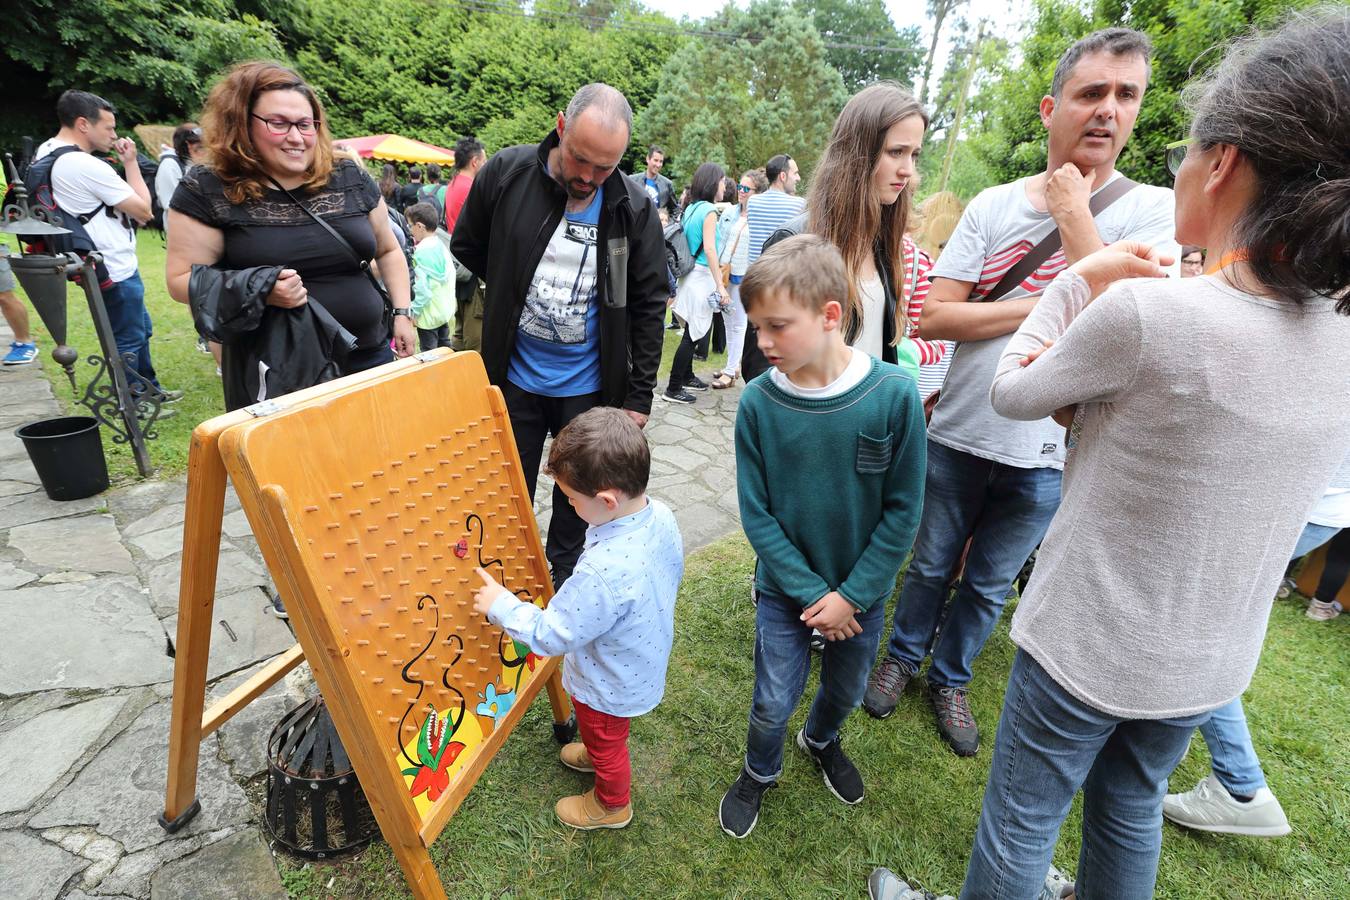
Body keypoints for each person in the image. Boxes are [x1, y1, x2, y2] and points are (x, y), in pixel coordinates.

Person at [878, 10, 1350, 898]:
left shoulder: (1156, 311)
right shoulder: (1340, 331)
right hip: (1207, 657)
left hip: (1092, 641)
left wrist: (1077, 276)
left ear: (1225, 164)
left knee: (1022, 822)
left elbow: (1023, 390)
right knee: (1129, 811)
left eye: (1178, 140)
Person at [862, 28, 1178, 758]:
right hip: (962, 429)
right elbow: (936, 314)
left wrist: (1073, 216)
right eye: (1090, 92)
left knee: (990, 583)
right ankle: (902, 657)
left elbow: (1123, 329)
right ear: (1051, 106)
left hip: (1052, 449)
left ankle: (951, 676)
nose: (1107, 110)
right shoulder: (996, 205)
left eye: (1125, 95)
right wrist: (1052, 310)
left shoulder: (1151, 213)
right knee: (933, 562)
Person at [717, 234, 925, 839]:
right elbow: (757, 515)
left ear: (830, 315)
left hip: (861, 596)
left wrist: (851, 596)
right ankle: (759, 770)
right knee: (771, 699)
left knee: (849, 687)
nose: (761, 343)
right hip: (787, 590)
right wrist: (815, 596)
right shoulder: (757, 403)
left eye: (777, 326)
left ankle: (822, 739)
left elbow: (903, 511)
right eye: (756, 327)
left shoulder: (892, 395)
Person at [450, 83, 669, 587]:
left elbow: (648, 303)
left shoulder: (631, 208)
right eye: (580, 160)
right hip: (516, 381)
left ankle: (564, 587)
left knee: (579, 501)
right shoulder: (508, 174)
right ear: (560, 127)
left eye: (605, 167)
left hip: (590, 390)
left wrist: (638, 396)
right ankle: (503, 588)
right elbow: (467, 242)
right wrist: (509, 281)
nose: (589, 177)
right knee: (506, 496)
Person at [472, 407, 682, 830]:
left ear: (606, 500)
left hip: (608, 681)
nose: (568, 504)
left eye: (571, 498)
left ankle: (611, 804)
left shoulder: (602, 573)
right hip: (639, 658)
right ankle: (595, 752)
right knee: (603, 734)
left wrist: (500, 604)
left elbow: (552, 634)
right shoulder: (658, 514)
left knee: (607, 739)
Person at [165, 60, 415, 410]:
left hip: (367, 355)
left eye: (305, 124)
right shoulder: (207, 189)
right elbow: (180, 281)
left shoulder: (348, 176)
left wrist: (402, 312)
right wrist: (262, 288)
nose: (296, 137)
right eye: (278, 124)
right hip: (278, 369)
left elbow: (388, 251)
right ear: (242, 123)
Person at [760, 83, 932, 383]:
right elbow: (761, 365)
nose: (908, 169)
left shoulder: (883, 242)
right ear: (857, 153)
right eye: (896, 152)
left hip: (872, 426)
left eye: (914, 155)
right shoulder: (796, 242)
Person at [35, 90, 179, 403]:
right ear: (83, 124)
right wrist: (131, 163)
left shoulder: (46, 151)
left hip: (91, 260)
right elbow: (143, 211)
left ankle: (148, 388)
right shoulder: (84, 164)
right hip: (113, 264)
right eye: (109, 128)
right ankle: (133, 399)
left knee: (140, 328)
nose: (114, 135)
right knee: (128, 336)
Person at [663, 163, 728, 404]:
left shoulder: (691, 208)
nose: (724, 185)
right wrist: (720, 285)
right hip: (700, 276)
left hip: (688, 275)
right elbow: (710, 249)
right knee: (692, 334)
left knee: (692, 328)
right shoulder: (709, 210)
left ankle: (688, 376)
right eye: (722, 181)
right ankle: (673, 387)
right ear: (713, 183)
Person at [709, 168, 767, 389]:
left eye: (746, 188)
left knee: (739, 324)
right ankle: (731, 365)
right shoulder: (731, 213)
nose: (741, 192)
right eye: (740, 187)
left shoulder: (758, 216)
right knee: (727, 321)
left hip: (746, 276)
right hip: (727, 273)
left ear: (757, 192)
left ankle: (730, 370)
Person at [404, 201, 455, 351]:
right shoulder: (441, 245)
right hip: (443, 311)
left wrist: (414, 311)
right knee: (445, 348)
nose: (410, 230)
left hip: (427, 316)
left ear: (419, 226)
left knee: (429, 353)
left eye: (410, 226)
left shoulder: (419, 253)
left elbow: (422, 290)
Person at [154, 122, 206, 238]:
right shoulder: (169, 165)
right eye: (200, 146)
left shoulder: (192, 163)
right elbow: (172, 204)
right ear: (187, 145)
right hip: (181, 234)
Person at [444, 136, 485, 234]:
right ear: (475, 162)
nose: (486, 165)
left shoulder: (453, 183)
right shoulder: (471, 188)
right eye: (484, 161)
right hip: (469, 246)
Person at [628, 145, 677, 220]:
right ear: (648, 159)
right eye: (656, 160)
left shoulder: (667, 184)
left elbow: (675, 210)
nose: (658, 165)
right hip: (637, 226)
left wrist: (668, 226)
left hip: (657, 227)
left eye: (661, 161)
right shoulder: (633, 180)